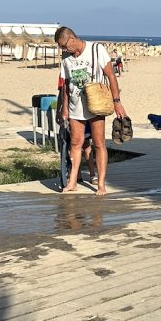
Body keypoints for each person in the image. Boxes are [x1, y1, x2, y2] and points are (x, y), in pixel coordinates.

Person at [55, 26, 127, 195]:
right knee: (75, 142)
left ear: (72, 39)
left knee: (99, 143)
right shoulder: (66, 58)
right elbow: (66, 84)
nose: (64, 50)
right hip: (75, 105)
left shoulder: (96, 49)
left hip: (96, 104)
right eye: (61, 48)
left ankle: (101, 184)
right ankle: (72, 181)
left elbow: (111, 75)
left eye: (64, 46)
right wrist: (64, 108)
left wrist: (117, 101)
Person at [56, 56, 96, 189]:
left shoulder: (85, 68)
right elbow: (62, 93)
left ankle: (92, 174)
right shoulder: (64, 72)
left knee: (86, 145)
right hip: (72, 112)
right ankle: (76, 175)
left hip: (85, 111)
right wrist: (60, 110)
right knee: (73, 145)